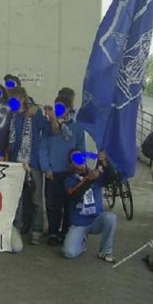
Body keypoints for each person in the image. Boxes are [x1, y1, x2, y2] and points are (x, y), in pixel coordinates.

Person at [7, 87, 52, 245]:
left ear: (22, 99)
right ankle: (17, 228)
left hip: (33, 163)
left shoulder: (34, 115)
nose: (11, 103)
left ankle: (37, 229)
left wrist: (42, 111)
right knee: (17, 199)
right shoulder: (11, 116)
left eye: (14, 100)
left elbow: (49, 129)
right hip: (16, 163)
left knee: (36, 199)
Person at [39, 95, 86, 246]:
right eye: (56, 107)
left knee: (68, 204)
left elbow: (81, 149)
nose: (58, 110)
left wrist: (80, 167)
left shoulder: (77, 128)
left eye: (61, 108)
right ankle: (53, 232)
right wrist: (46, 168)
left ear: (68, 109)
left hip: (70, 173)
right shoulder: (50, 127)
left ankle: (66, 232)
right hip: (53, 172)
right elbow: (43, 148)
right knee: (53, 204)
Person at [62, 150, 117, 263]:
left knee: (111, 218)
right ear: (71, 164)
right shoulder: (69, 180)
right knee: (68, 252)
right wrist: (89, 180)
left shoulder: (96, 174)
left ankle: (105, 251)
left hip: (96, 219)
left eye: (81, 157)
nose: (80, 161)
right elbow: (75, 195)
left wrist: (105, 162)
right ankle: (82, 243)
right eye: (76, 159)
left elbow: (113, 178)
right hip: (79, 223)